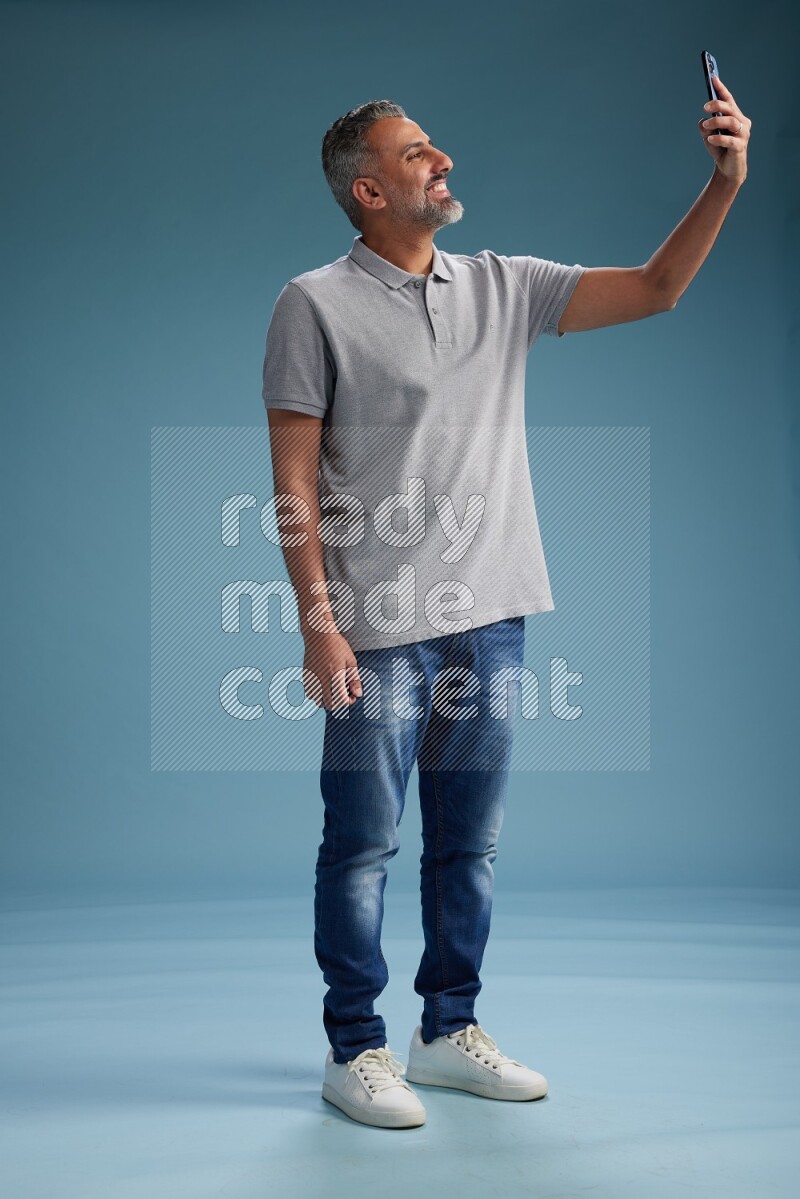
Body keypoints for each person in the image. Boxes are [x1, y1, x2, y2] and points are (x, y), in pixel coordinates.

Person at [262, 82, 750, 1129]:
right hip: (374, 626)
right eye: (416, 153)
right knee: (360, 843)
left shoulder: (505, 285)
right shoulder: (310, 304)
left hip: (492, 615)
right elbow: (294, 485)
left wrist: (722, 180)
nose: (441, 160)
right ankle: (356, 1048)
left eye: (435, 146)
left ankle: (446, 1030)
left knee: (467, 846)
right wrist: (316, 619)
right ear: (367, 189)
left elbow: (660, 287)